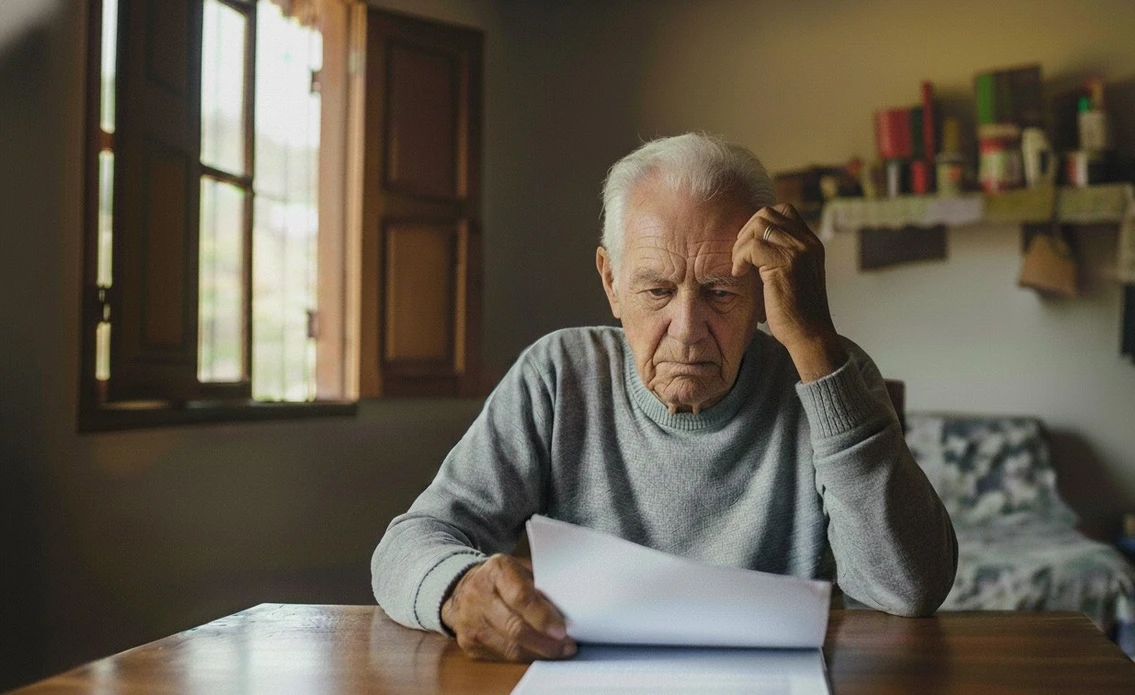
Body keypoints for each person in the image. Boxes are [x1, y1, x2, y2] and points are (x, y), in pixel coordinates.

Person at [372, 133, 958, 662]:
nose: (686, 327)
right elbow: (408, 544)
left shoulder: (827, 372)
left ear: (761, 288)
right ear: (611, 283)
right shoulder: (557, 377)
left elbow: (909, 589)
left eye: (721, 292)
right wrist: (455, 590)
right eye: (656, 290)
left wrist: (813, 344)